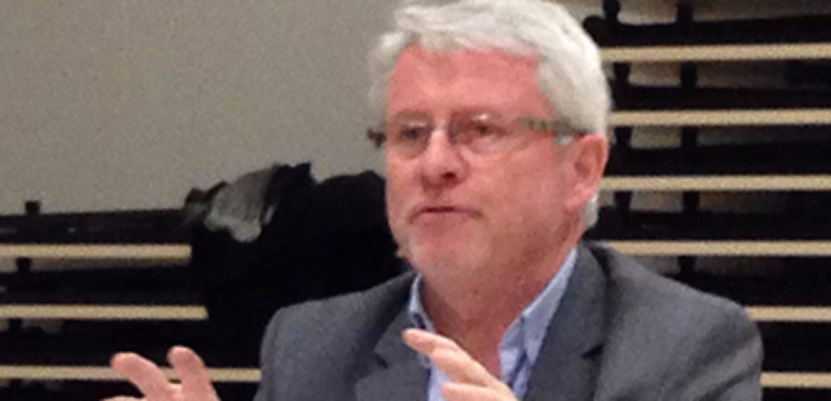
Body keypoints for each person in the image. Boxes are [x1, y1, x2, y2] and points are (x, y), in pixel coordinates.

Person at [107, 0, 763, 400]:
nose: (435, 164)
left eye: (480, 130)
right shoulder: (313, 345)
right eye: (410, 133)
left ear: (581, 169)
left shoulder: (680, 349)